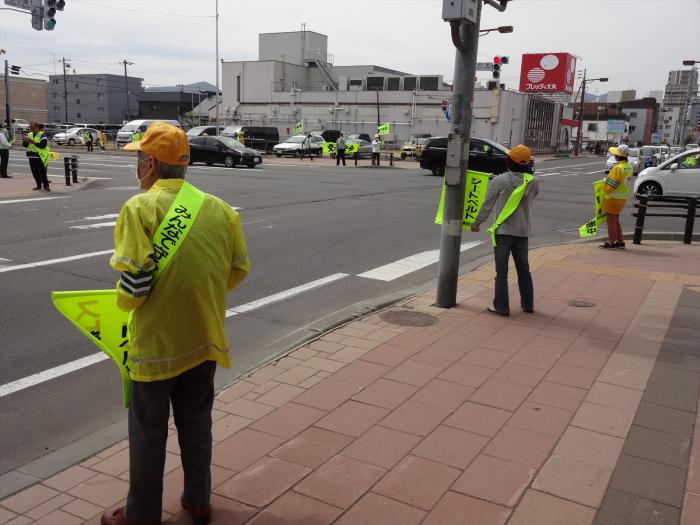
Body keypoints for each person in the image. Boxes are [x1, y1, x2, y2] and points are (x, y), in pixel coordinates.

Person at [101, 121, 250, 525]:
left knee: (149, 433)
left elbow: (135, 284)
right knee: (197, 425)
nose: (137, 166)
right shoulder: (219, 208)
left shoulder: (140, 207)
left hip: (156, 347)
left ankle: (142, 514)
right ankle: (199, 501)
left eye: (138, 158)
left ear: (150, 164)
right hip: (204, 340)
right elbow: (236, 270)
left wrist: (121, 303)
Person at [470, 144, 539, 316]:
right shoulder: (533, 182)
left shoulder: (499, 181)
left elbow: (487, 205)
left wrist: (477, 222)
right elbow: (533, 196)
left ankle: (501, 306)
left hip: (503, 233)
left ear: (509, 161)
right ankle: (528, 304)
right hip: (522, 232)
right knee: (524, 270)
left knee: (501, 272)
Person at [600, 144, 633, 249]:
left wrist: (604, 187)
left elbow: (612, 185)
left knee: (611, 220)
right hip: (622, 198)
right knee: (616, 219)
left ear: (617, 155)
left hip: (613, 198)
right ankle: (620, 241)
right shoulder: (629, 166)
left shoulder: (617, 168)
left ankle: (611, 242)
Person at [23, 121, 50, 191]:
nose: (31, 129)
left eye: (32, 127)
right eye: (30, 127)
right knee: (34, 172)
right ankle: (38, 185)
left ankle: (46, 186)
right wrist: (25, 141)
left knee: (42, 172)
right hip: (31, 156)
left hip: (39, 156)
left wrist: (33, 142)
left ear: (37, 127)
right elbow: (25, 145)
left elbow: (43, 145)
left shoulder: (42, 134)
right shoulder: (29, 134)